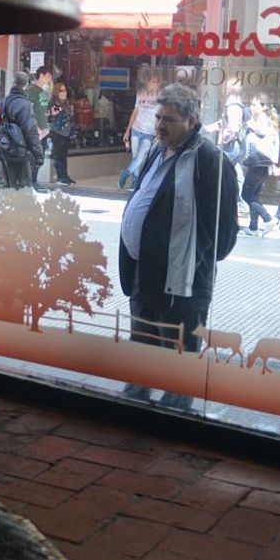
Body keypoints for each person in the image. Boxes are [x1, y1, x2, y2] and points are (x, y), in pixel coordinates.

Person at [118, 82, 239, 361]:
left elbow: (223, 235)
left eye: (169, 120)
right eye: (158, 117)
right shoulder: (157, 150)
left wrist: (192, 259)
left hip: (181, 287)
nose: (159, 125)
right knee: (141, 359)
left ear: (191, 121)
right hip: (145, 278)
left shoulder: (210, 160)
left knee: (177, 366)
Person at [205, 81, 251, 215]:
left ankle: (232, 206)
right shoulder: (234, 105)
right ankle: (238, 204)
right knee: (230, 176)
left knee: (219, 175)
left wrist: (223, 141)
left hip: (230, 146)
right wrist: (207, 129)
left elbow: (233, 127)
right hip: (232, 146)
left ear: (229, 90)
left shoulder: (233, 106)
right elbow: (223, 123)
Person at [240, 92, 280, 235]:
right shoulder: (259, 119)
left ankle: (268, 219)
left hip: (259, 163)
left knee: (246, 195)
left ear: (263, 107)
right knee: (254, 195)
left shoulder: (263, 120)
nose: (251, 107)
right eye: (251, 104)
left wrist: (248, 122)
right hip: (259, 164)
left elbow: (262, 132)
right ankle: (253, 227)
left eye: (254, 104)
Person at [0, 70, 45, 189]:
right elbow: (30, 130)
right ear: (26, 85)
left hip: (6, 148)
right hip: (20, 150)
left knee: (11, 186)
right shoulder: (24, 104)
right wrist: (38, 153)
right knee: (24, 188)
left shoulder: (4, 101)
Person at [118, 67, 160, 191]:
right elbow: (135, 111)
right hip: (136, 129)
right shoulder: (140, 93)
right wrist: (128, 130)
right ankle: (135, 183)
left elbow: (160, 116)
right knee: (135, 157)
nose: (153, 83)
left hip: (149, 132)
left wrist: (158, 133)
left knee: (140, 157)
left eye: (155, 81)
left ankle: (125, 173)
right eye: (151, 80)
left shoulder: (159, 97)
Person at [47, 81, 76, 185]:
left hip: (66, 133)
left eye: (65, 90)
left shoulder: (67, 104)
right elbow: (50, 116)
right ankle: (60, 176)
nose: (64, 93)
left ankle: (64, 175)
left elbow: (71, 119)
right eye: (61, 91)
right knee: (58, 155)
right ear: (56, 92)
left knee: (63, 155)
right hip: (57, 133)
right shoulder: (54, 104)